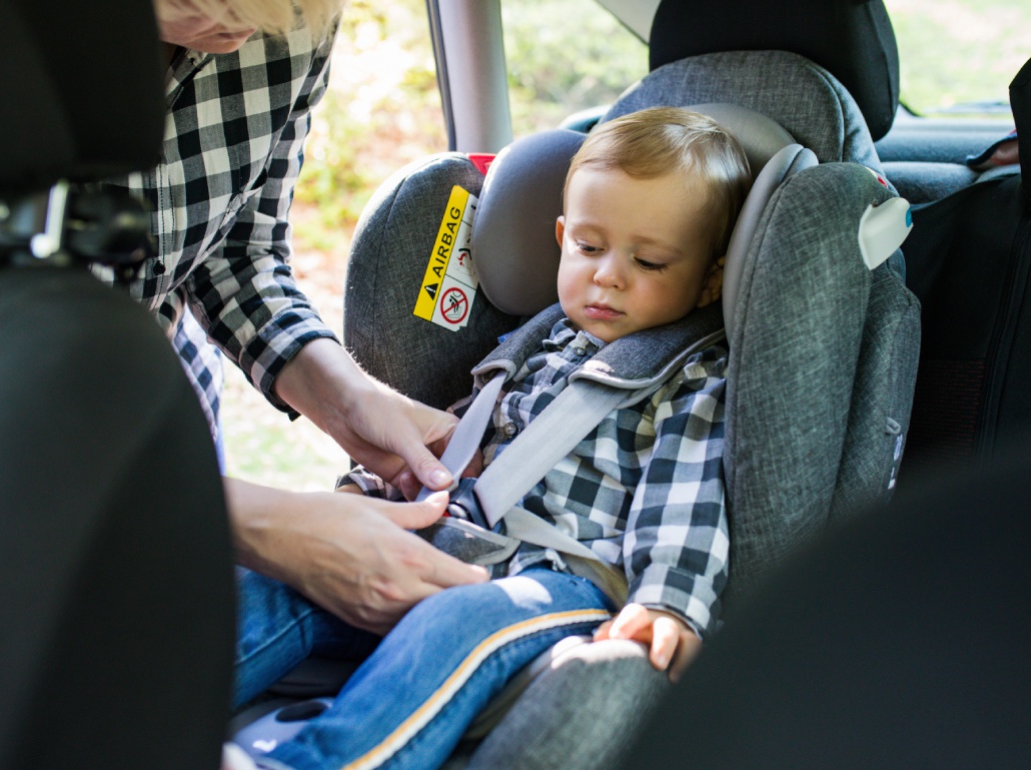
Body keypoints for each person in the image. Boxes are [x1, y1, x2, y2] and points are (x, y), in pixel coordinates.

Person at [227, 106, 752, 770]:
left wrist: (668, 600)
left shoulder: (693, 378)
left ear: (709, 277)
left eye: (647, 260)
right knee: (279, 582)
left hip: (563, 578)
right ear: (562, 237)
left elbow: (686, 499)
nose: (608, 275)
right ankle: (133, 712)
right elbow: (459, 442)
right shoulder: (534, 343)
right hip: (458, 538)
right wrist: (370, 495)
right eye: (589, 247)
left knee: (453, 626)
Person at [100, 0, 489, 638]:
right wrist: (262, 525)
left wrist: (349, 398)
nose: (237, 39)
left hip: (166, 422)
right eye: (204, 3)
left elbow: (237, 251)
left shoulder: (290, 20)